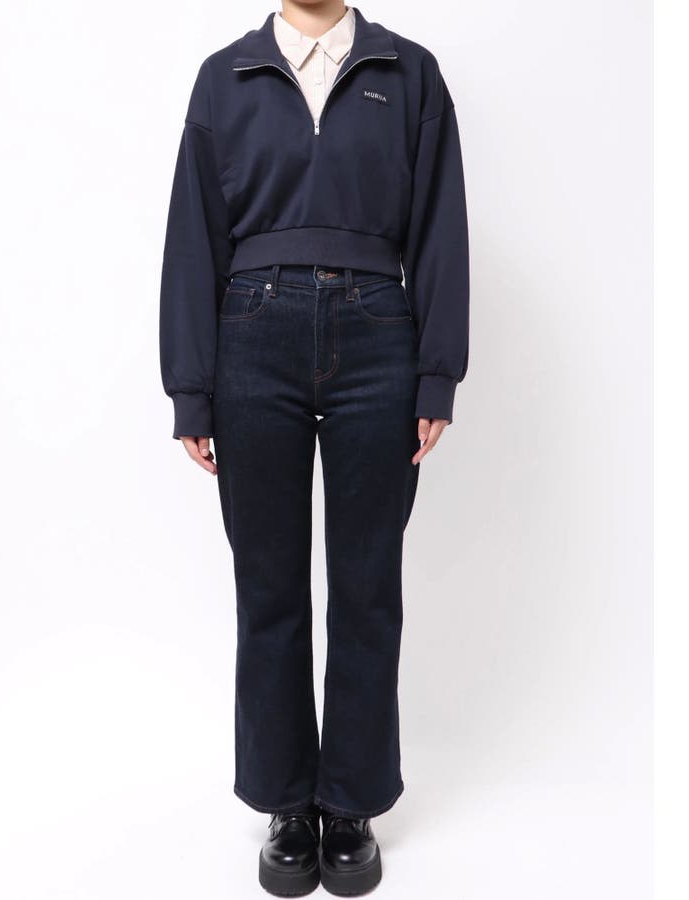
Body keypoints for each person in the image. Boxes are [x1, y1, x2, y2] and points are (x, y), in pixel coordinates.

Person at [158, 2, 469, 895]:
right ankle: (287, 803)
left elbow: (440, 224)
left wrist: (436, 375)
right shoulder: (225, 77)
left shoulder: (410, 72)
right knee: (269, 588)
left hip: (380, 334)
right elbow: (193, 237)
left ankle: (353, 801)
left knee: (368, 587)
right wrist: (191, 387)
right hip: (252, 334)